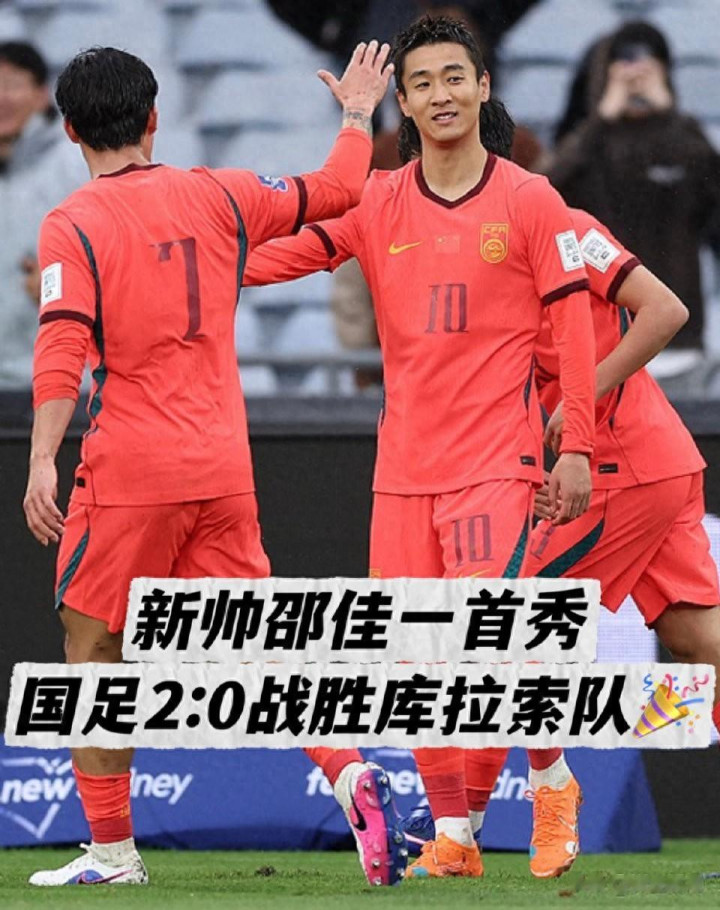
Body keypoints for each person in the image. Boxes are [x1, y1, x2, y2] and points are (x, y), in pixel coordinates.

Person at [22, 43, 405, 887]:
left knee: (94, 649)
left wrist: (43, 455)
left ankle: (113, 853)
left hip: (130, 474)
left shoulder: (71, 222)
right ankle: (346, 768)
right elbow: (338, 189)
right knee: (252, 645)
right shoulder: (221, 193)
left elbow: (61, 345)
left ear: (70, 129)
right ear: (155, 118)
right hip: (223, 466)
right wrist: (355, 114)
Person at [243, 14, 598, 880]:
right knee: (416, 660)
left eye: (454, 77)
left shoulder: (531, 199)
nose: (440, 95)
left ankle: (552, 782)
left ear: (483, 87)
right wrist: (175, 246)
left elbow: (575, 328)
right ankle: (456, 838)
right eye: (423, 83)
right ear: (400, 102)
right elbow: (265, 260)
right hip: (402, 471)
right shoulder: (376, 200)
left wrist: (578, 446)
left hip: (497, 462)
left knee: (496, 641)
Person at [402, 205, 719, 876]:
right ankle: (464, 827)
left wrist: (581, 401)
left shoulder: (566, 230)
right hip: (656, 462)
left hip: (619, 468)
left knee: (504, 623)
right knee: (703, 644)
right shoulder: (460, 257)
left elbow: (665, 310)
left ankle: (478, 822)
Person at [544, 21, 720, 392]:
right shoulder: (592, 143)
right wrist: (602, 116)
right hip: (609, 346)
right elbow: (542, 197)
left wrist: (669, 113)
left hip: (681, 345)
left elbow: (713, 198)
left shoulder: (683, 137)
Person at [0, 41, 86, 397]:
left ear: (40, 95)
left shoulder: (75, 165)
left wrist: (66, 281)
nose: (2, 97)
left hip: (58, 383)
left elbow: (118, 257)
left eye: (11, 85)